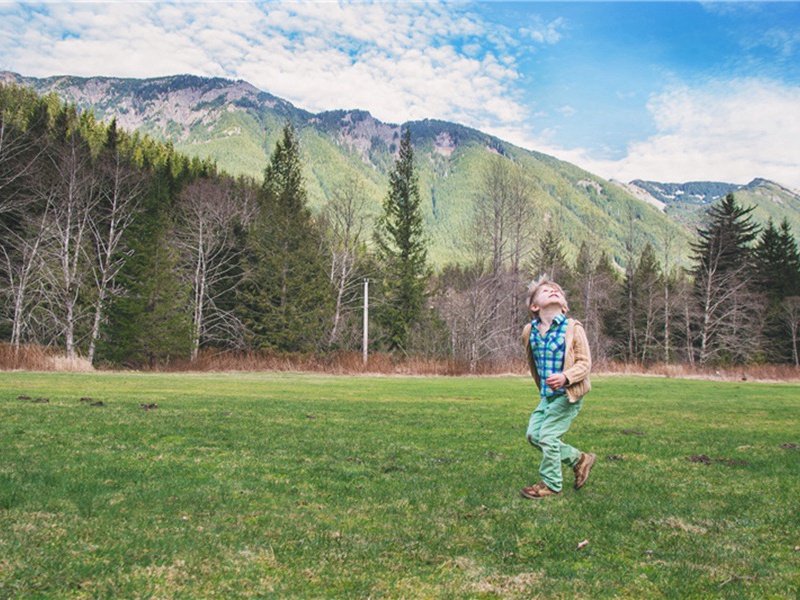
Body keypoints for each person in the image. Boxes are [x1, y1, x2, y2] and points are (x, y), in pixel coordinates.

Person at [520, 277, 596, 499]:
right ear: (535, 306)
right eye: (546, 291)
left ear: (564, 305)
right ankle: (579, 459)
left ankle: (551, 484)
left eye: (557, 291)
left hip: (568, 395)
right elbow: (533, 362)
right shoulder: (529, 331)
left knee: (548, 437)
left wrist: (566, 376)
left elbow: (584, 362)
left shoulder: (572, 328)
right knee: (534, 435)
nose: (553, 291)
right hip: (548, 397)